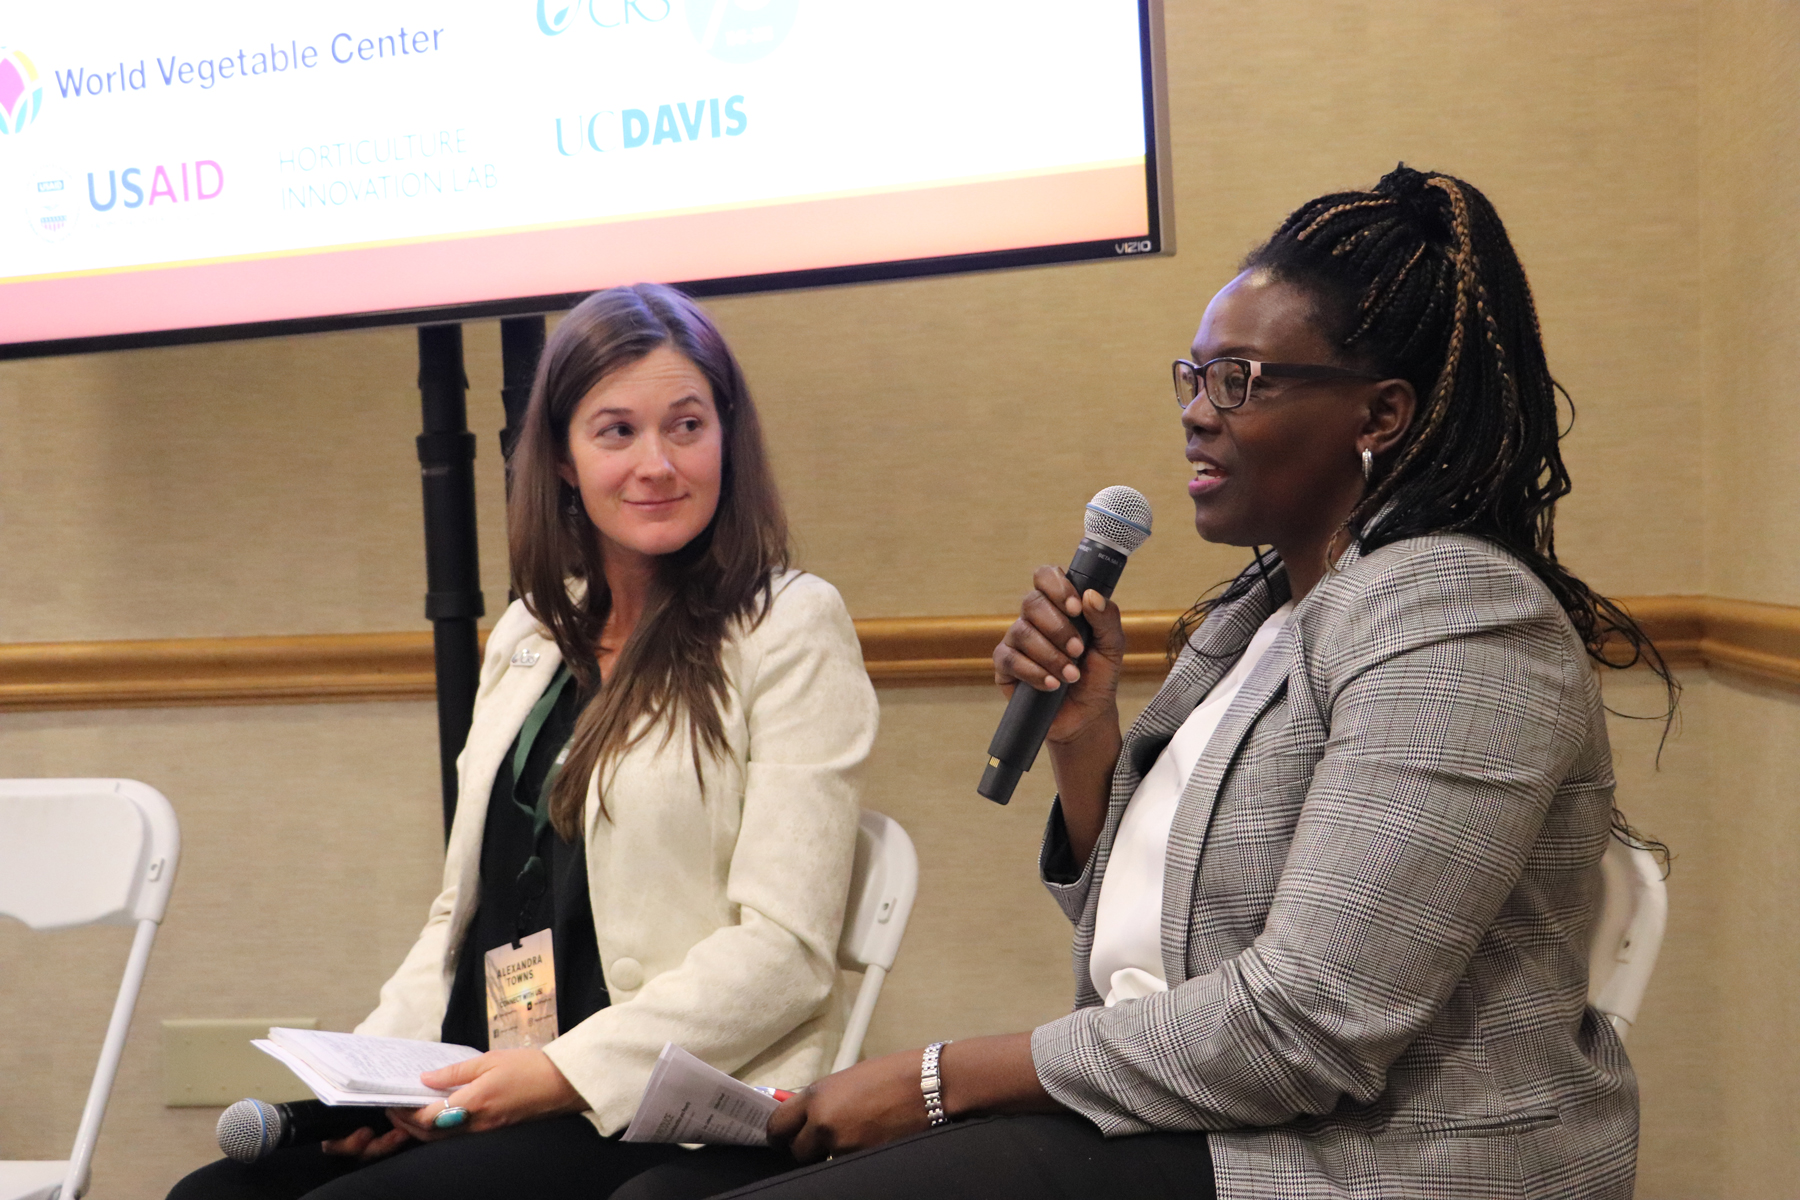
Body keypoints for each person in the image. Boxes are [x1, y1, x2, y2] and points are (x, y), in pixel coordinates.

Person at [717, 166, 1668, 1200]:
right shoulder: (1260, 619)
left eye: (1241, 381)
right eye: (1194, 375)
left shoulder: (1462, 622)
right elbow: (1167, 944)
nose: (1197, 414)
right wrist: (1085, 743)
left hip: (1368, 1161)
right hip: (1206, 1125)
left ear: (1381, 414)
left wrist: (948, 1078)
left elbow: (1309, 1027)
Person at [169, 284, 879, 1200]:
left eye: (687, 426)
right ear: (561, 458)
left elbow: (785, 951)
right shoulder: (531, 635)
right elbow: (455, 916)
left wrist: (555, 1075)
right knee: (214, 1194)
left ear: (728, 441)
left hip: (654, 1105)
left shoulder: (790, 626)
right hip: (490, 1071)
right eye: (616, 431)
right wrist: (382, 1081)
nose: (656, 463)